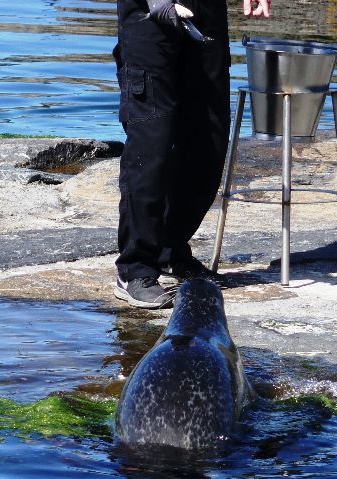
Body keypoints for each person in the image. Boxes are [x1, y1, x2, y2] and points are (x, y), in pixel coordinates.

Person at [113, 0, 272, 309]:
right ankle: (135, 269)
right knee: (152, 146)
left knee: (208, 141)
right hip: (149, 21)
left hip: (205, 15)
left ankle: (170, 251)